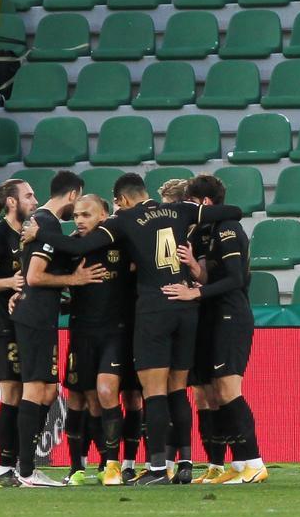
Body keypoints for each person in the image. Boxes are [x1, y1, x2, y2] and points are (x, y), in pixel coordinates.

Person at [23, 173, 242, 485]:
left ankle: (156, 470)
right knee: (178, 389)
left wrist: (39, 234)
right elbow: (233, 212)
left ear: (122, 200)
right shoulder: (180, 210)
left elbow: (79, 247)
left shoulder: (124, 220)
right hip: (185, 305)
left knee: (154, 392)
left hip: (154, 308)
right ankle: (185, 465)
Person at [162, 174, 268, 484]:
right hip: (212, 316)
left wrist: (195, 292)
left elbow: (235, 279)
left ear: (204, 202)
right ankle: (234, 466)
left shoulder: (227, 229)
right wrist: (196, 270)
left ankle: (254, 462)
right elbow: (212, 276)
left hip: (231, 316)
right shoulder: (205, 233)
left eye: (190, 204)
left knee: (228, 390)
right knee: (213, 394)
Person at [11, 171, 105, 487]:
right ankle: (25, 470)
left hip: (40, 314)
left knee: (48, 390)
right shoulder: (47, 223)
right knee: (36, 389)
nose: (76, 211)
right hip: (36, 316)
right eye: (76, 203)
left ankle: (25, 467)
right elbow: (36, 276)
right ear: (72, 193)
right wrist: (75, 280)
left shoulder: (41, 224)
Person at [61, 194, 132, 486]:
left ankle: (110, 464)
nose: (79, 220)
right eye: (76, 215)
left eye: (87, 214)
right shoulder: (70, 248)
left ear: (103, 215)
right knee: (80, 398)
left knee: (105, 393)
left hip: (114, 331)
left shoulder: (119, 242)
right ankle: (76, 467)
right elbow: (47, 279)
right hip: (81, 331)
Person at [0, 179, 36, 488]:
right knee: (12, 392)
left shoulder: (26, 236)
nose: (34, 200)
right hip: (2, 325)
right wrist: (11, 283)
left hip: (25, 323)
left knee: (28, 392)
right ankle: (4, 468)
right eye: (28, 195)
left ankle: (16, 464)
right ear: (11, 202)